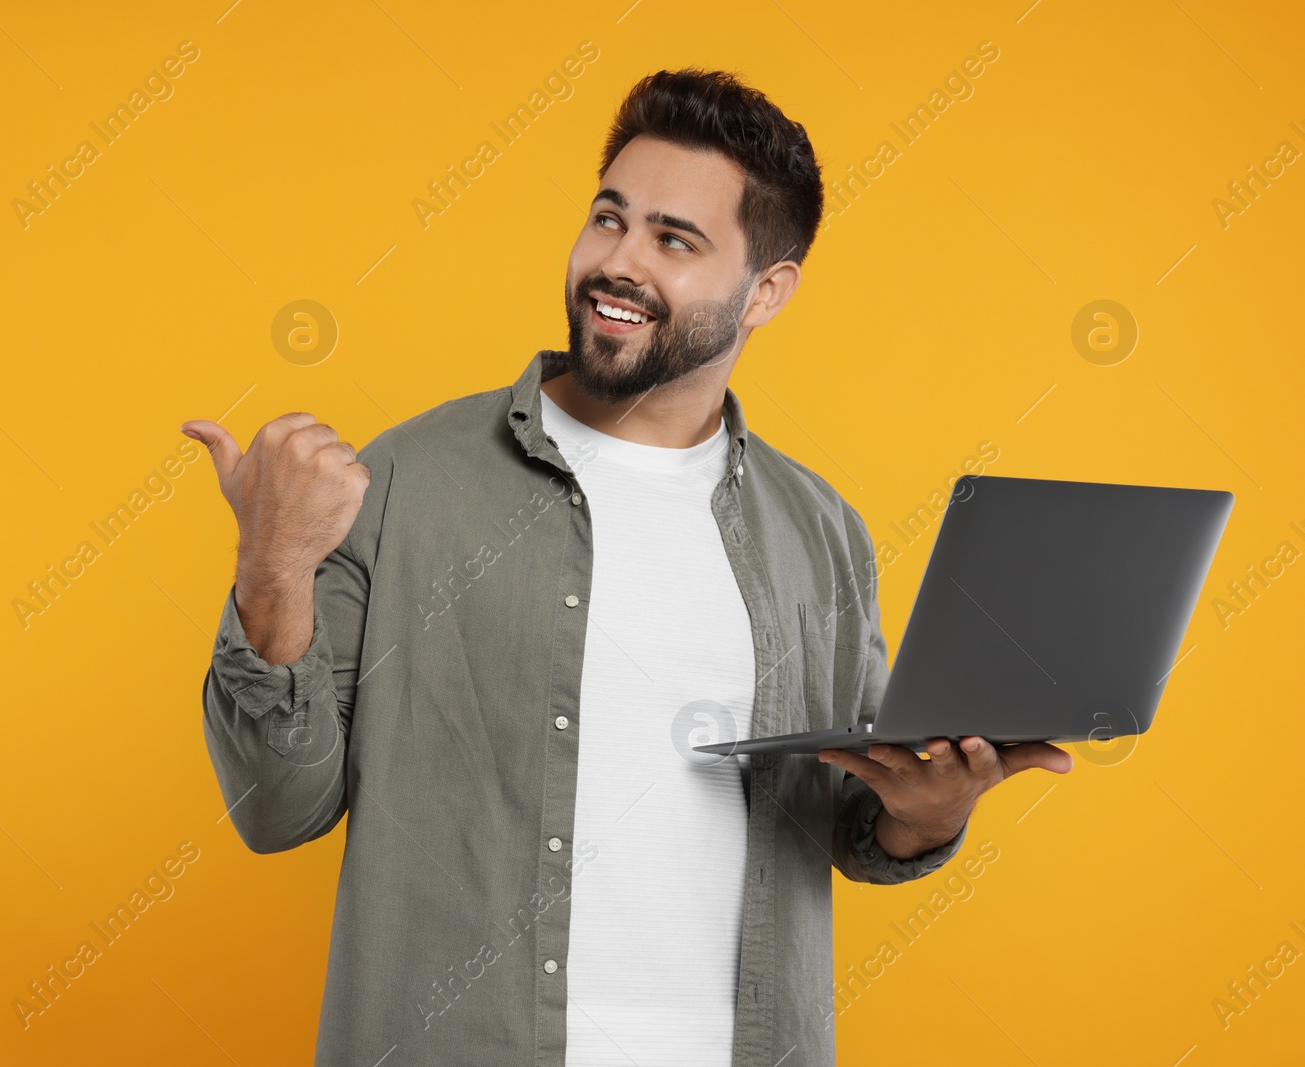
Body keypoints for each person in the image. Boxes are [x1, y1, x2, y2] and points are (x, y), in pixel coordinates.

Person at [182, 67, 1071, 1067]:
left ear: (766, 290)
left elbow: (851, 819)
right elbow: (273, 806)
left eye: (672, 240)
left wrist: (926, 812)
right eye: (608, 219)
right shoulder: (398, 479)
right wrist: (273, 566)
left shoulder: (819, 531)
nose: (618, 261)